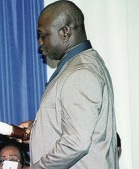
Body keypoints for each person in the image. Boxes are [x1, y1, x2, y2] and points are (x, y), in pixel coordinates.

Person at [19, 1, 118, 168]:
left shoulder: (80, 72)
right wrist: (36, 131)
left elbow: (76, 143)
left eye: (43, 36)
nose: (40, 43)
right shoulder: (80, 65)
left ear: (65, 32)